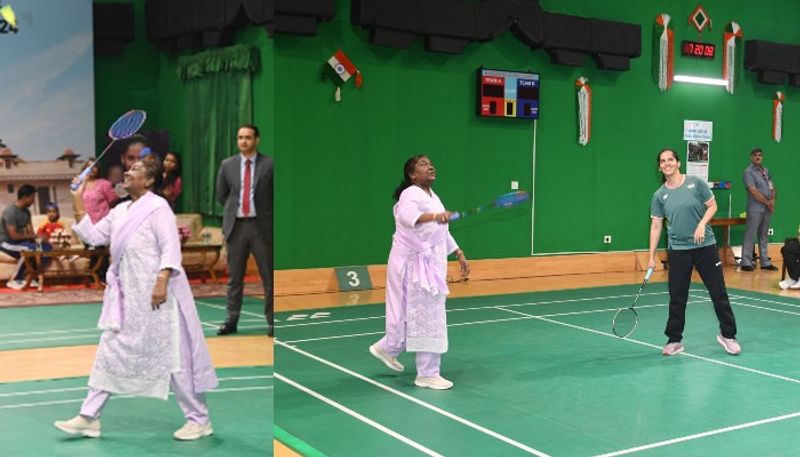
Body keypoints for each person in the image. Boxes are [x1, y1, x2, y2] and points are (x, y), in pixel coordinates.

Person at [54, 160, 218, 441]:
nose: (127, 172)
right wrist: (76, 200)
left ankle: (199, 419)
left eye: (135, 169)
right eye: (128, 169)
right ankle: (89, 418)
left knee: (174, 357)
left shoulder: (157, 208)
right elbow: (94, 236)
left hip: (159, 296)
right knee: (110, 350)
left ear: (150, 181)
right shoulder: (119, 212)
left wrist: (162, 281)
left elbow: (170, 246)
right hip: (128, 298)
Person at [369, 155, 469, 390]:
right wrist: (436, 216)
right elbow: (407, 219)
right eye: (424, 164)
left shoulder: (433, 198)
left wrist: (458, 252)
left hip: (430, 266)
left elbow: (440, 231)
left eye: (431, 162)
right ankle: (427, 374)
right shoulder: (410, 194)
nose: (431, 166)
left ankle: (388, 347)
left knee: (416, 313)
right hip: (414, 266)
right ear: (413, 175)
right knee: (427, 317)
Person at [648, 148, 740, 356]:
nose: (666, 163)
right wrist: (651, 255)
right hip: (679, 250)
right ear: (659, 166)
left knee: (718, 293)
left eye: (670, 159)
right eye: (662, 161)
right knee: (677, 297)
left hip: (705, 246)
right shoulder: (659, 195)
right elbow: (656, 227)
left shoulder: (696, 183)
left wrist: (701, 225)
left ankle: (728, 335)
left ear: (678, 162)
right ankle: (674, 340)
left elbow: (713, 206)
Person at [216, 125, 274, 337]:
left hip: (261, 227)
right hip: (237, 226)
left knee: (268, 277)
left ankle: (272, 321)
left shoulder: (269, 164)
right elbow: (222, 195)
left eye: (248, 137)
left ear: (256, 140)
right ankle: (231, 320)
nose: (244, 141)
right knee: (234, 278)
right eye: (240, 137)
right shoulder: (227, 165)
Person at [0, 184, 51, 289]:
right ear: (24, 197)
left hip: (20, 243)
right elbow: (13, 236)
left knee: (46, 249)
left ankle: (31, 277)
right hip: (7, 243)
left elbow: (31, 233)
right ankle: (15, 279)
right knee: (29, 250)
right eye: (32, 198)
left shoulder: (26, 212)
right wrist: (35, 236)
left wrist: (42, 241)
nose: (33, 201)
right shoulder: (10, 211)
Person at [741, 148, 778, 271]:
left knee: (763, 235)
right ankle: (746, 262)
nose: (758, 157)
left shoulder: (766, 171)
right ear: (751, 157)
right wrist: (767, 202)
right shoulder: (748, 172)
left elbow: (772, 187)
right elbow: (753, 191)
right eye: (755, 155)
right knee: (750, 234)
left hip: (767, 208)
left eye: (760, 155)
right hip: (755, 207)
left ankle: (765, 262)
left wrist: (772, 200)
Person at [79, 160, 119, 225]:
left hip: (102, 223)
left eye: (95, 166)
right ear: (84, 169)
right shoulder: (80, 185)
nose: (92, 168)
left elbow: (113, 201)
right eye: (89, 166)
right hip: (85, 224)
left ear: (98, 169)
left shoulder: (104, 184)